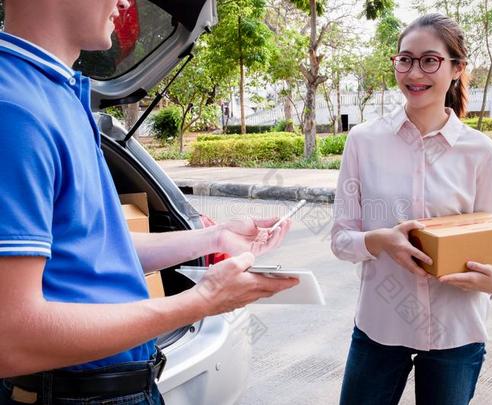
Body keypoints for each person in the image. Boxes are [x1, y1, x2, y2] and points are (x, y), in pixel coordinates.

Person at [0, 1, 298, 404]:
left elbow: (101, 250)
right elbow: (11, 338)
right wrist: (200, 301)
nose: (126, 2)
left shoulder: (59, 94)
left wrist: (215, 237)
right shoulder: (15, 109)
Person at [331, 13, 492, 405]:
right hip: (381, 328)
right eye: (405, 59)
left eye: (430, 60)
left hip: (456, 332)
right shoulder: (362, 142)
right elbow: (341, 240)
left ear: (457, 68)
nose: (415, 72)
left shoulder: (480, 151)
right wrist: (381, 240)